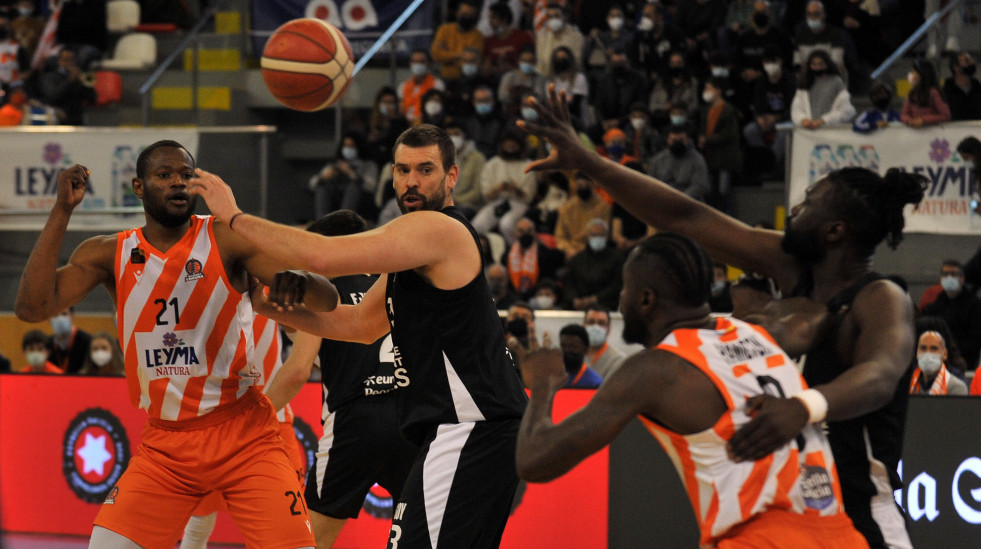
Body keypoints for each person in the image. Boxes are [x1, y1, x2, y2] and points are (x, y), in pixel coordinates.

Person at [520, 85, 925, 548]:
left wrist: (803, 407)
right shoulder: (790, 267)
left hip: (858, 511)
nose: (795, 209)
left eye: (809, 202)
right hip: (781, 509)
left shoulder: (882, 297)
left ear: (835, 232)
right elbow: (686, 218)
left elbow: (879, 376)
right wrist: (591, 162)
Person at [188, 124, 529, 548]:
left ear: (453, 176)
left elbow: (322, 256)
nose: (412, 181)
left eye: (426, 170)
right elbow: (357, 325)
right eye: (403, 170)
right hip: (470, 428)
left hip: (470, 426)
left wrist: (234, 218)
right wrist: (261, 304)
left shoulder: (438, 230)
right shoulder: (412, 250)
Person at [14, 142, 323, 548]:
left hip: (245, 433)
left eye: (185, 174)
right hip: (167, 445)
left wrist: (304, 282)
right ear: (138, 187)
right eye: (164, 175)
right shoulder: (110, 252)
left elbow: (324, 299)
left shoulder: (225, 239)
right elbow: (31, 308)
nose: (178, 181)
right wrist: (62, 211)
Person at [515, 233, 867, 548]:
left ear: (646, 299)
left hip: (759, 537)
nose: (621, 299)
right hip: (840, 532)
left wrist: (544, 384)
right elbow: (817, 312)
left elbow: (535, 461)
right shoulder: (763, 330)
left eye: (625, 289)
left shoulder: (656, 370)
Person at [256, 211, 419, 548]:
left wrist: (254, 418)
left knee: (310, 540)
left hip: (354, 422)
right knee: (419, 536)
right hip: (413, 419)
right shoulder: (393, 282)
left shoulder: (323, 289)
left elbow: (298, 369)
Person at [180, 313, 307, 549]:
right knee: (200, 520)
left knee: (286, 527)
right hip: (214, 416)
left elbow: (303, 333)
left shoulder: (271, 281)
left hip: (272, 414)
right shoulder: (202, 285)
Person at [471, 128, 538, 244]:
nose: (510, 149)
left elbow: (529, 197)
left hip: (518, 203)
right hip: (497, 201)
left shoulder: (527, 165)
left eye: (513, 146)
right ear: (502, 146)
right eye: (507, 146)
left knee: (506, 224)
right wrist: (497, 189)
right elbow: (486, 195)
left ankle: (515, 251)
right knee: (477, 225)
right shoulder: (492, 164)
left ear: (520, 147)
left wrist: (516, 190)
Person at [921, 260, 981, 371]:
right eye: (945, 274)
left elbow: (975, 340)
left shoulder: (975, 305)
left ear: (962, 278)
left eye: (953, 274)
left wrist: (951, 350)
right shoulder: (936, 304)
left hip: (965, 361)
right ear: (940, 278)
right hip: (937, 360)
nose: (949, 277)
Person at [308, 131, 379, 222]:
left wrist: (351, 173)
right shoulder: (336, 163)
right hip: (336, 198)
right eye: (345, 146)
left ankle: (344, 222)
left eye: (351, 146)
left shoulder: (368, 164)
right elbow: (311, 184)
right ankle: (321, 223)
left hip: (359, 202)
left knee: (353, 187)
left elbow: (371, 186)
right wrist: (323, 177)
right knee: (322, 187)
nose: (347, 149)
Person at [697, 77, 742, 212]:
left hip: (724, 158)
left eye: (708, 88)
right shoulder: (706, 110)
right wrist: (701, 138)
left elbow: (730, 133)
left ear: (718, 91)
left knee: (724, 191)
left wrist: (708, 139)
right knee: (712, 192)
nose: (705, 91)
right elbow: (703, 129)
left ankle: (732, 220)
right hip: (710, 157)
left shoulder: (728, 110)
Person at [560, 218, 624, 312]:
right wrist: (575, 299)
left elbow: (617, 285)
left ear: (606, 236)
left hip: (606, 304)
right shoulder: (577, 259)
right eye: (594, 235)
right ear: (588, 236)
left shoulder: (617, 259)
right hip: (578, 305)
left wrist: (595, 299)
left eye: (601, 235)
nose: (597, 238)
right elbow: (568, 283)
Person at [791, 49, 856, 130]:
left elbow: (846, 110)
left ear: (827, 64)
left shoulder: (836, 81)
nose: (817, 67)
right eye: (814, 64)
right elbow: (797, 108)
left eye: (821, 64)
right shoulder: (804, 82)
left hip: (830, 129)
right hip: (808, 130)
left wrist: (823, 121)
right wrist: (803, 120)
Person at [503, 216, 564, 300]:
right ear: (515, 233)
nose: (525, 234)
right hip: (513, 297)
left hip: (538, 297)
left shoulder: (547, 255)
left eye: (529, 231)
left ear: (535, 233)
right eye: (521, 231)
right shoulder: (506, 256)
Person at [553, 172, 612, 259]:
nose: (581, 188)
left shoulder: (604, 207)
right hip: (571, 252)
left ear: (592, 185)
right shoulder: (568, 207)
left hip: (593, 252)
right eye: (579, 185)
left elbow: (604, 236)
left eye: (584, 185)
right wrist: (569, 249)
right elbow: (560, 236)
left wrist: (584, 252)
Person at [648, 124, 710, 202]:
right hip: (663, 200)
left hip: (689, 202)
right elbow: (651, 183)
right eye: (674, 140)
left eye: (681, 140)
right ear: (668, 140)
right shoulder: (657, 160)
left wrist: (679, 199)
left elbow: (700, 185)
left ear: (687, 140)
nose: (677, 143)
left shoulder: (697, 159)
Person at [430, 0, 484, 83]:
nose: (466, 17)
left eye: (469, 15)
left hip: (468, 79)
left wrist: (447, 56)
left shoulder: (478, 35)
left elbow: (471, 60)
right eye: (464, 14)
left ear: (474, 16)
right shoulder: (444, 30)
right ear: (457, 13)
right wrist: (460, 55)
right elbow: (436, 54)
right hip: (445, 77)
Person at [445, 119, 486, 215]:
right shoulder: (445, 157)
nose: (453, 138)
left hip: (470, 205)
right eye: (449, 135)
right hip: (448, 204)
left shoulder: (477, 158)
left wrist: (457, 200)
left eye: (456, 134)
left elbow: (478, 191)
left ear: (464, 135)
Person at [909, 329, 967, 395]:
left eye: (934, 349)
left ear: (945, 354)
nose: (928, 353)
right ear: (916, 353)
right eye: (923, 348)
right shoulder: (907, 386)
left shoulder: (956, 387)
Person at [534, 3, 583, 76]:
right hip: (547, 78)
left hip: (570, 78)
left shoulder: (576, 37)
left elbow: (576, 63)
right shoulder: (542, 38)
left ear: (564, 17)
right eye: (550, 17)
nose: (553, 19)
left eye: (556, 16)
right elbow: (540, 65)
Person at [901, 57, 951, 128]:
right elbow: (904, 114)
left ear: (923, 74)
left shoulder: (933, 92)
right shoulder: (911, 92)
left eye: (914, 72)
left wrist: (923, 120)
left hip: (931, 133)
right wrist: (909, 120)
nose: (911, 75)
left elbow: (946, 115)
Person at [398, 49, 445, 123]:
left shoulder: (437, 84)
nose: (418, 64)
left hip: (427, 123)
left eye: (421, 62)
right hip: (405, 124)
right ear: (410, 64)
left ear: (428, 63)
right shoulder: (403, 86)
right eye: (415, 61)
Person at [582, 307, 625, 379]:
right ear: (583, 325)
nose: (595, 327)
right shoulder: (574, 356)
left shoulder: (618, 360)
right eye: (591, 322)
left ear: (609, 328)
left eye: (601, 323)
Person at [47, 306, 91, 373]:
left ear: (72, 316)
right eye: (55, 315)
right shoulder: (47, 344)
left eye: (64, 314)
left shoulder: (87, 341)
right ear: (49, 319)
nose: (60, 318)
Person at [557, 324, 602, 389]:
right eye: (563, 346)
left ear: (586, 350)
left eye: (572, 346)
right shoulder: (551, 378)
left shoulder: (595, 383)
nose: (566, 350)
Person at [943, 52, 981, 121]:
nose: (972, 63)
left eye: (971, 60)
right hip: (955, 128)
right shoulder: (947, 91)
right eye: (967, 61)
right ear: (956, 67)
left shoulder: (977, 87)